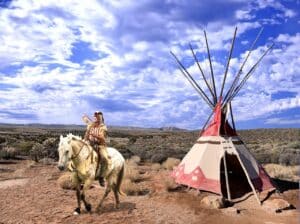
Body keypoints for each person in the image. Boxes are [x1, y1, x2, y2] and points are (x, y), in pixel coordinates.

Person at [83, 111, 111, 187]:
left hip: (100, 144)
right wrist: (84, 140)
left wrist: (94, 135)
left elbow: (102, 138)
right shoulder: (90, 125)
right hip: (90, 143)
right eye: (94, 116)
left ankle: (101, 177)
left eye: (97, 116)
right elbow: (86, 135)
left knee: (104, 159)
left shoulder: (103, 127)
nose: (95, 117)